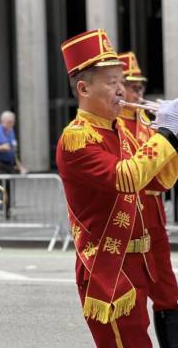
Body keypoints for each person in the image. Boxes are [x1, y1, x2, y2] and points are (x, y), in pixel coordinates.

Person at [56, 29, 178, 347]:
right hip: (107, 268)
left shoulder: (120, 131)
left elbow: (158, 181)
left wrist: (171, 140)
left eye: (121, 81)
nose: (122, 90)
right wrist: (166, 135)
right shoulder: (77, 138)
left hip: (137, 261)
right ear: (83, 88)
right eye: (112, 82)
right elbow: (127, 178)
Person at [118, 51, 178, 347]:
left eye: (141, 87)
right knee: (134, 291)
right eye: (132, 86)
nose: (138, 92)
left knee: (167, 288)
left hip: (153, 212)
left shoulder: (148, 123)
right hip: (128, 214)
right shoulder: (114, 125)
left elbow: (163, 176)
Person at [0, 111, 26, 219]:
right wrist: (1, 147)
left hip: (9, 164)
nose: (11, 124)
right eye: (9, 122)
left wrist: (19, 165)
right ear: (3, 121)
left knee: (7, 187)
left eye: (12, 122)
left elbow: (13, 151)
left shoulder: (11, 131)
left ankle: (7, 212)